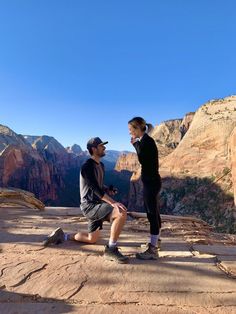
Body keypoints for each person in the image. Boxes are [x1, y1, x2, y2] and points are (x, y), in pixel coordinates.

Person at [43, 137, 129, 264]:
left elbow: (98, 185)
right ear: (94, 149)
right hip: (89, 206)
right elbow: (94, 188)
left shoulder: (101, 165)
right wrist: (113, 203)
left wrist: (108, 189)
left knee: (91, 239)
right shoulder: (87, 167)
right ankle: (111, 249)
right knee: (120, 212)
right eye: (101, 146)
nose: (104, 148)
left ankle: (63, 235)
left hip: (97, 205)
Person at [128, 117, 162, 260]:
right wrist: (136, 144)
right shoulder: (146, 140)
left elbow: (142, 158)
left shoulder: (146, 141)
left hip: (151, 182)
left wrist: (135, 145)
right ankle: (156, 241)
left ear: (137, 129)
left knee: (151, 213)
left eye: (131, 130)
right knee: (154, 212)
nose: (130, 133)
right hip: (152, 181)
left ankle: (153, 249)